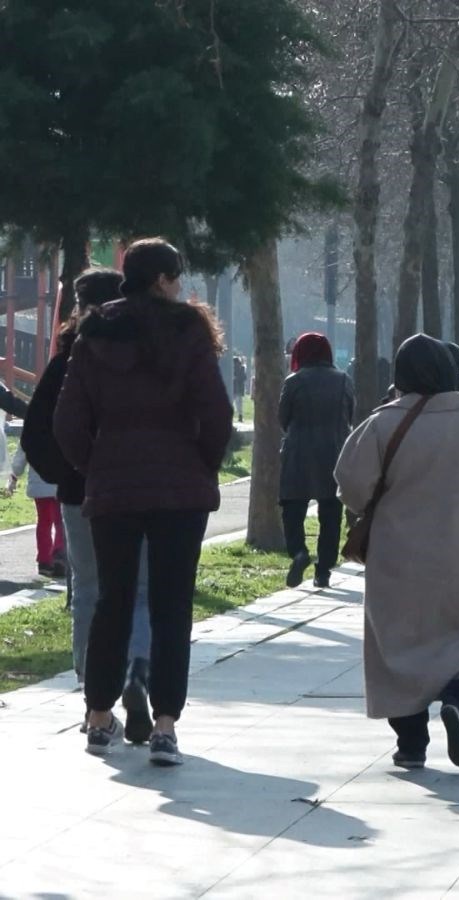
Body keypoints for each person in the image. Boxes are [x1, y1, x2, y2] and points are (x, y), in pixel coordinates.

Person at [55, 238, 233, 765]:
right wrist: (201, 463)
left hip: (114, 484)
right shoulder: (189, 329)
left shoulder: (96, 331)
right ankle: (165, 724)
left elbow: (68, 420)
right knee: (172, 604)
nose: (180, 284)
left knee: (112, 598)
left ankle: (97, 716)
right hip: (180, 485)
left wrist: (96, 464)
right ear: (161, 279)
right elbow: (216, 412)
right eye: (176, 275)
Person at [335, 334, 459, 770]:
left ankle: (411, 741)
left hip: (396, 555)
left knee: (397, 644)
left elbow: (351, 484)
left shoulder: (382, 423)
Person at [22, 268, 153, 726]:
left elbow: (36, 434)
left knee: (91, 591)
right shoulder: (148, 355)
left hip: (82, 493)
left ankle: (92, 693)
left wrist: (70, 472)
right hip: (140, 490)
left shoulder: (67, 362)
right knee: (138, 590)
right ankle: (138, 668)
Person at [278, 332, 355, 590]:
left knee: (292, 509)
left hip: (298, 453)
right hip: (333, 453)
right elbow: (350, 414)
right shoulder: (344, 380)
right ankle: (323, 571)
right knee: (331, 515)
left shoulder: (294, 381)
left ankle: (299, 551)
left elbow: (283, 418)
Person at [10, 438, 65, 577]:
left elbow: (21, 456)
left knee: (44, 522)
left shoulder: (32, 426)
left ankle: (44, 560)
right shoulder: (62, 420)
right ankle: (59, 555)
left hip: (39, 481)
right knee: (60, 522)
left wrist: (15, 475)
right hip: (61, 481)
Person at [232, 355, 249, 422]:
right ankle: (239, 416)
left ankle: (240, 416)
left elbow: (244, 377)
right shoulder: (234, 368)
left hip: (238, 388)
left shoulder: (242, 368)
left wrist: (236, 378)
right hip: (234, 388)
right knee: (235, 402)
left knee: (239, 403)